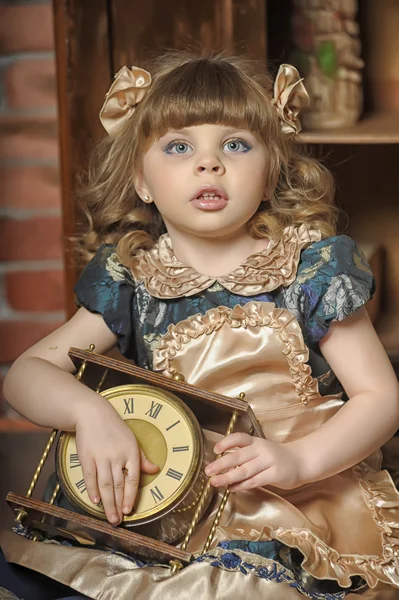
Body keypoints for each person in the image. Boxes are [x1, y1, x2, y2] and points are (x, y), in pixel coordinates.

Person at [1, 50, 399, 600]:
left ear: (270, 174)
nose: (208, 164)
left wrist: (300, 461)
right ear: (141, 179)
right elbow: (25, 373)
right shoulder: (134, 277)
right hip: (176, 501)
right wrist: (86, 410)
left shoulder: (311, 268)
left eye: (235, 145)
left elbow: (380, 396)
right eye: (179, 146)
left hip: (294, 497)